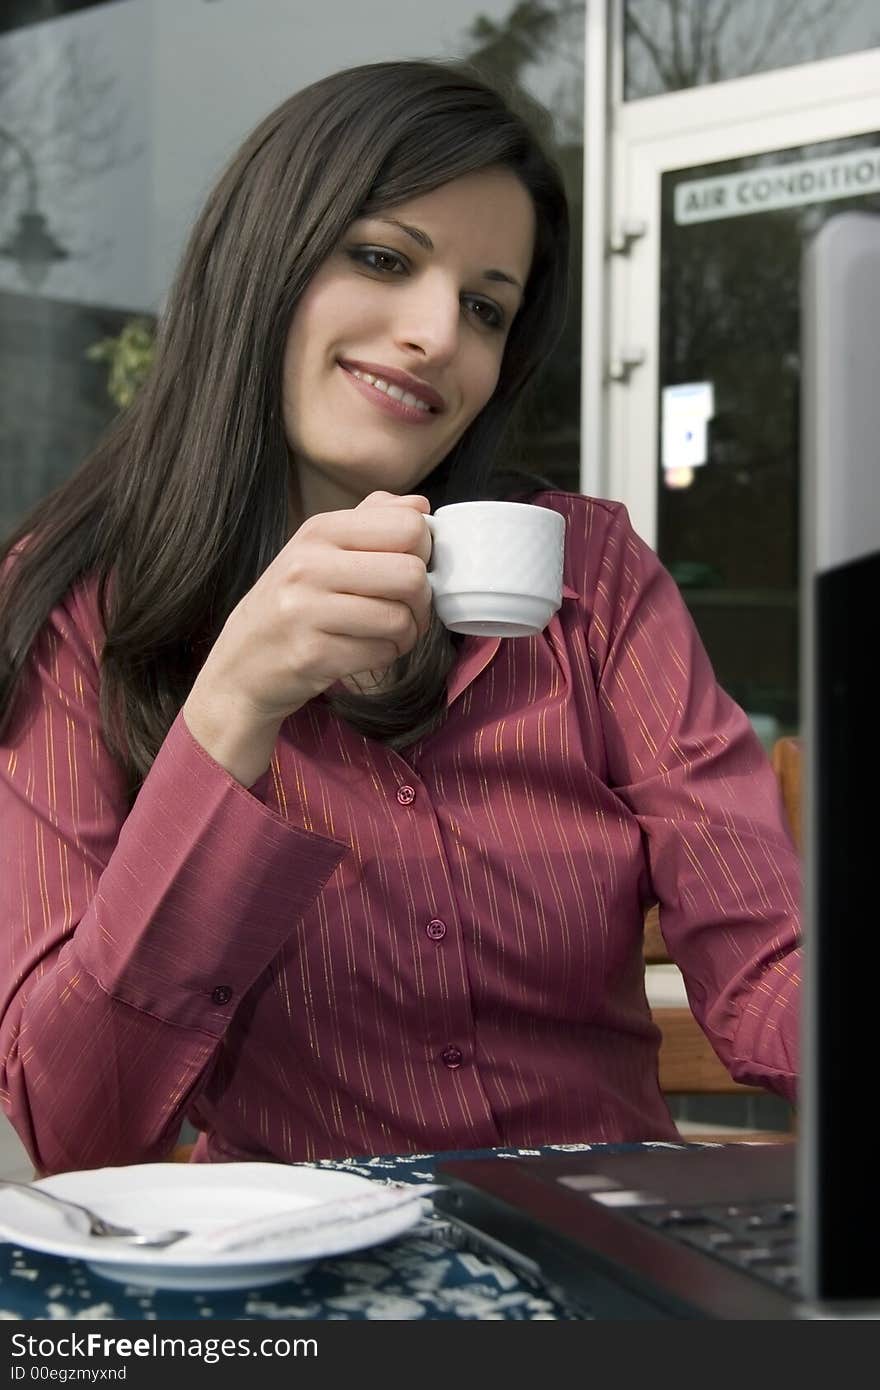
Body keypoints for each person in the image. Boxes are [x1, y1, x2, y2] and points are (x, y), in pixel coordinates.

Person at [0, 60, 800, 1178]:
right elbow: (65, 1124)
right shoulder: (84, 608)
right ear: (263, 263)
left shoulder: (593, 582)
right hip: (294, 1286)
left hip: (605, 1256)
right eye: (382, 258)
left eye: (485, 307)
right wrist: (231, 709)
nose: (437, 335)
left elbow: (773, 969)